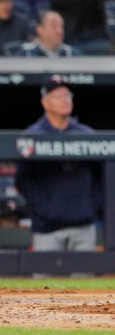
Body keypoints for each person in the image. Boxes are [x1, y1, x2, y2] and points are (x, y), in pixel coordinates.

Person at [15, 76, 101, 253]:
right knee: (44, 280)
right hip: (47, 228)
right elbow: (23, 180)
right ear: (45, 102)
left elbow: (102, 176)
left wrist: (93, 206)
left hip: (83, 225)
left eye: (67, 95)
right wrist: (46, 209)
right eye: (58, 96)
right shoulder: (33, 135)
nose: (65, 100)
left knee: (84, 279)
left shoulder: (86, 134)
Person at [11, 10, 78, 57]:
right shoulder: (25, 54)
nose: (59, 30)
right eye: (53, 25)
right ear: (40, 29)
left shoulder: (71, 53)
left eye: (61, 26)